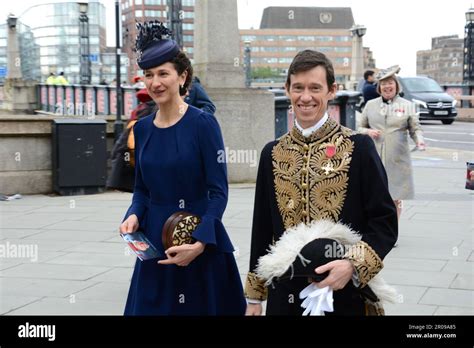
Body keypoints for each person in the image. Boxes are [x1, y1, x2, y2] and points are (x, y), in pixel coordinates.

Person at [245, 50, 398, 316]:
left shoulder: (358, 147)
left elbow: (383, 222)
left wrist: (351, 266)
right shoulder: (272, 152)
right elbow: (262, 229)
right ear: (287, 90)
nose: (305, 97)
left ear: (332, 91)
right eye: (298, 88)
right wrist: (255, 297)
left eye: (315, 88)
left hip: (344, 291)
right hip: (286, 293)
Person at [119, 21, 246, 315]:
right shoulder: (143, 128)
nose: (155, 82)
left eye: (163, 73)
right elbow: (141, 190)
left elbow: (218, 192)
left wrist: (200, 243)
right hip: (154, 248)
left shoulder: (203, 124)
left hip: (200, 243)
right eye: (149, 75)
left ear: (182, 76)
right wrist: (133, 215)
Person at [358, 65, 425, 221]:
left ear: (396, 85)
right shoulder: (370, 105)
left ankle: (393, 230)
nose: (387, 86)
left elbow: (415, 128)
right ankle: (375, 227)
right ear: (379, 87)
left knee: (395, 196)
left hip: (398, 158)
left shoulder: (407, 105)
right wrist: (368, 131)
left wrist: (419, 141)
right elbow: (359, 127)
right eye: (383, 83)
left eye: (390, 83)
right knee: (374, 194)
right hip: (374, 157)